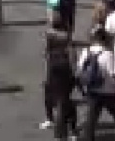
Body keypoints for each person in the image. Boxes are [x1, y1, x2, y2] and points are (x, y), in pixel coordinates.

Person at [77, 26, 115, 140]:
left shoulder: (86, 52)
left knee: (91, 119)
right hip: (109, 91)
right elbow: (114, 74)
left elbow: (80, 69)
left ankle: (88, 138)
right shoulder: (108, 54)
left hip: (92, 90)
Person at [40, 11, 79, 139]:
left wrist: (46, 73)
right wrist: (75, 72)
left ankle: (59, 129)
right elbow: (72, 54)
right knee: (65, 100)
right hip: (66, 71)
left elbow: (46, 55)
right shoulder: (67, 35)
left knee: (54, 100)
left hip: (54, 70)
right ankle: (72, 129)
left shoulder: (49, 35)